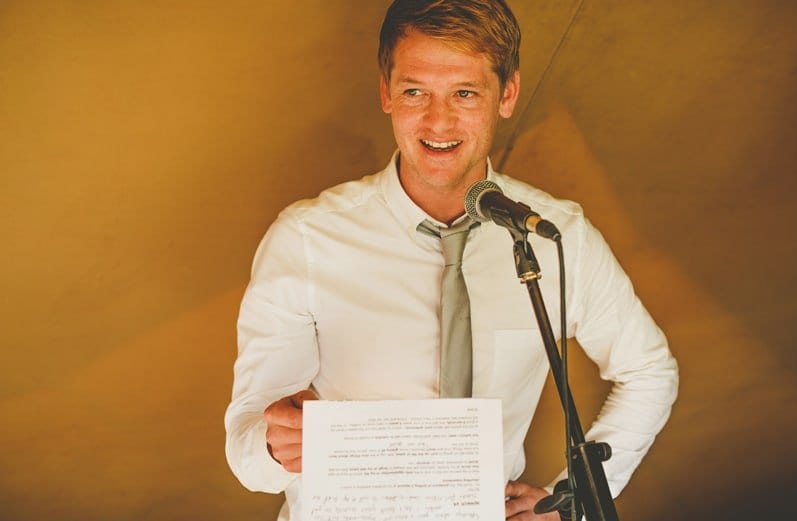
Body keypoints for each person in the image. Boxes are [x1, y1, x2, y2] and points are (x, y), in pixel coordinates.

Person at [225, 1, 678, 520]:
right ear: (386, 93)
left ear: (507, 94)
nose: (438, 120)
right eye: (414, 91)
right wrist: (274, 447)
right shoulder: (306, 239)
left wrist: (570, 501)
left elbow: (649, 371)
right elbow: (247, 456)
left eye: (465, 93)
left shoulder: (557, 237)